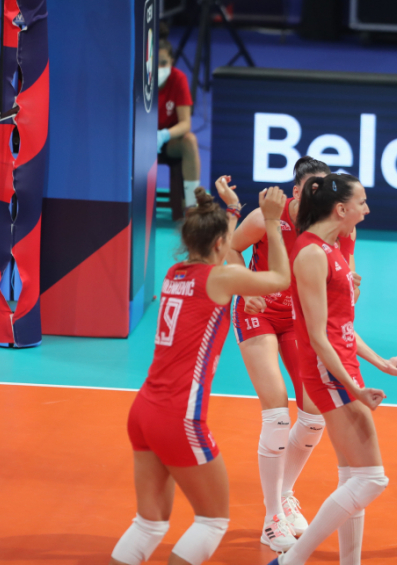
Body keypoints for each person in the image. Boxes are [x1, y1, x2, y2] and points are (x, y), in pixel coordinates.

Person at [110, 177, 290, 565]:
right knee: (212, 521)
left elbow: (217, 256)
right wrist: (272, 222)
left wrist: (232, 209)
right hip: (179, 416)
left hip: (143, 411)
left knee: (148, 525)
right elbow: (280, 279)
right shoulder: (221, 279)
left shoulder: (174, 273)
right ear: (220, 243)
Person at [269, 173, 397, 565]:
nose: (367, 209)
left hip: (341, 367)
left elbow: (342, 326)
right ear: (341, 208)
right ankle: (291, 559)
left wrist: (382, 364)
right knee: (372, 478)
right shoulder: (311, 254)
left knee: (353, 476)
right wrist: (354, 387)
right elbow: (317, 337)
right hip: (328, 373)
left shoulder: (331, 248)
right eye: (361, 202)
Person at [226, 157, 336, 552]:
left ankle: (285, 493)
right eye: (310, 190)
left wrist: (352, 284)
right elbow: (230, 249)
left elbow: (342, 275)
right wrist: (246, 288)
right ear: (296, 191)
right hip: (258, 312)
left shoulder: (330, 227)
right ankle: (272, 518)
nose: (317, 196)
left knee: (314, 415)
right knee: (276, 412)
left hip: (298, 321)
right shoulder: (265, 218)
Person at [157, 37, 199, 210]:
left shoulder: (178, 79)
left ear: (172, 61)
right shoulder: (138, 78)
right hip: (139, 143)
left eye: (164, 63)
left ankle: (191, 206)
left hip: (168, 143)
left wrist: (163, 135)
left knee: (189, 140)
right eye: (155, 63)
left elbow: (185, 123)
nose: (159, 68)